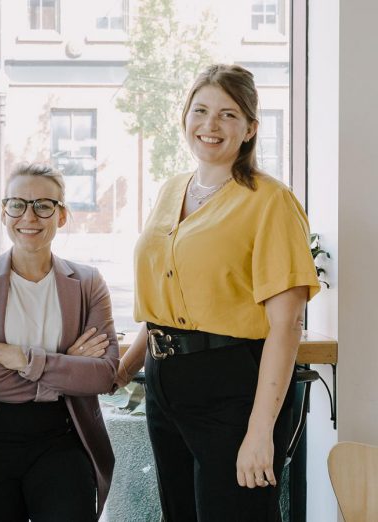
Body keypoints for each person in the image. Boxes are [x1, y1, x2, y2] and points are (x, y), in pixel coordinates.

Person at [116, 64, 320, 521]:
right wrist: (124, 368)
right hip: (163, 381)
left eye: (228, 115)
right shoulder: (172, 190)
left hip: (232, 385)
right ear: (184, 116)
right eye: (201, 110)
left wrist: (260, 430)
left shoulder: (270, 201)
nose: (210, 125)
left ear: (250, 128)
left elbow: (286, 324)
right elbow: (165, 305)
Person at [0, 163, 119, 522]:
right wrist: (64, 365)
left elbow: (103, 375)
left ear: (62, 216)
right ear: (4, 213)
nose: (29, 216)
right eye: (17, 204)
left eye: (43, 205)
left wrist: (24, 359)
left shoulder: (88, 283)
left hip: (63, 440)